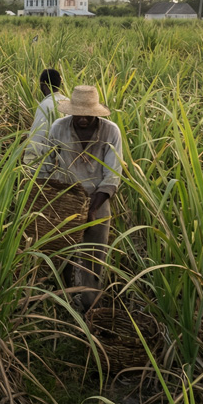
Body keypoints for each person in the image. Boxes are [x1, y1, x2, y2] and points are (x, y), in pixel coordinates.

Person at [39, 85, 123, 311]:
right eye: (78, 114)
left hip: (98, 201)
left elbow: (112, 176)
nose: (83, 119)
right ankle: (62, 301)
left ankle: (90, 306)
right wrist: (44, 200)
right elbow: (46, 166)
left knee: (93, 257)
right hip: (65, 200)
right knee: (61, 255)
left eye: (88, 115)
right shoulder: (59, 128)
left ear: (96, 113)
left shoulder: (110, 132)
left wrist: (92, 210)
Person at [23, 68, 68, 167]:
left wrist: (30, 163)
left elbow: (38, 136)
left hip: (53, 165)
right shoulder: (69, 102)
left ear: (43, 85)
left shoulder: (46, 105)